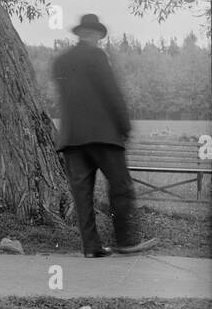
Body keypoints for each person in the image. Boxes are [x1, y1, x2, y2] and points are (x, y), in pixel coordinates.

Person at [52, 14, 158, 258]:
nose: (96, 39)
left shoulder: (61, 62)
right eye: (96, 35)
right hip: (103, 135)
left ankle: (91, 248)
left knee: (82, 196)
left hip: (72, 139)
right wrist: (125, 127)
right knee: (121, 186)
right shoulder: (97, 56)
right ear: (94, 35)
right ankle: (126, 242)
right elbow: (111, 93)